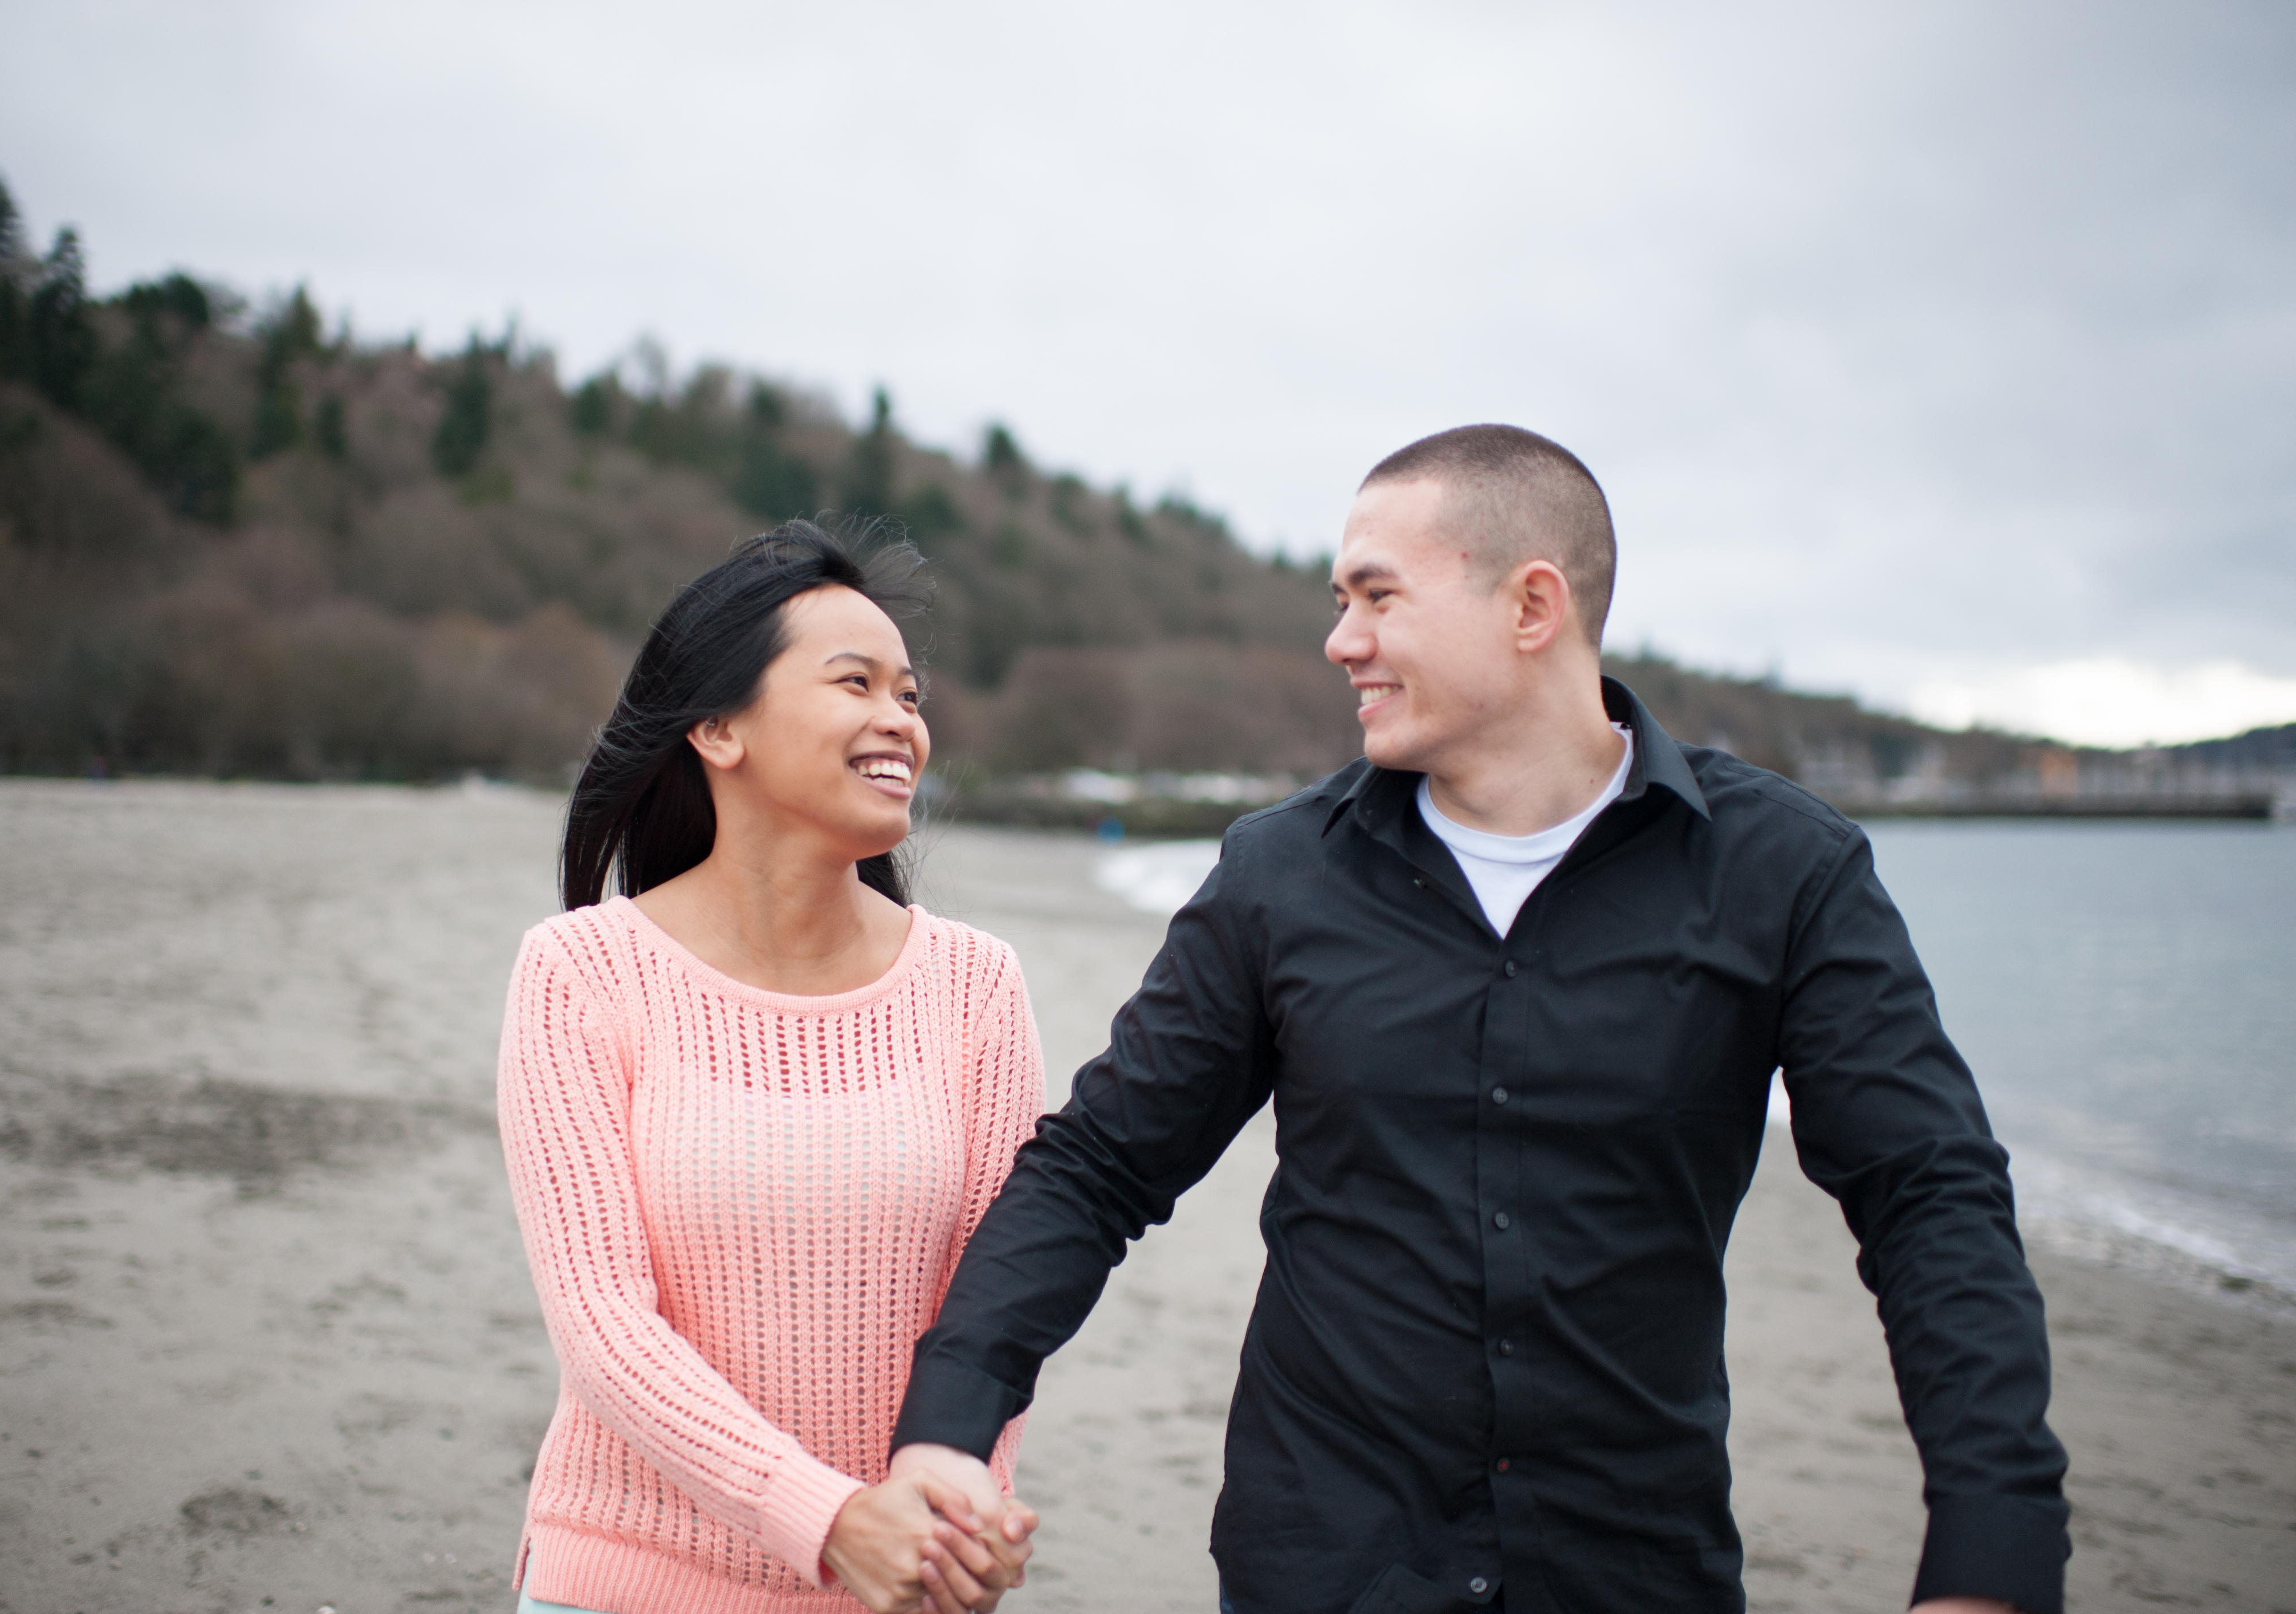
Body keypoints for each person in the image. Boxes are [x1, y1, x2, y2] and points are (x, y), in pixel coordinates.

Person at [888, 427, 2071, 1614]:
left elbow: (1927, 1198)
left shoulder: (1782, 871)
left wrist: (1992, 1554)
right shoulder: (1279, 875)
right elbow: (1099, 1166)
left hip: (1628, 1572)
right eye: (1340, 600)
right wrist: (949, 1422)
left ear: (1531, 606)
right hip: (1327, 1567)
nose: (1340, 640)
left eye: (1377, 597)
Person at [498, 522, 1043, 1614]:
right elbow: (604, 1324)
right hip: (625, 1582)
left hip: (900, 1586)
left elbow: (997, 1300)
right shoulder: (582, 972)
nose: (900, 721)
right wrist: (830, 1523)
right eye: (857, 684)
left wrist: (952, 1515)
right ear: (716, 725)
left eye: (911, 694)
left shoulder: (974, 983)